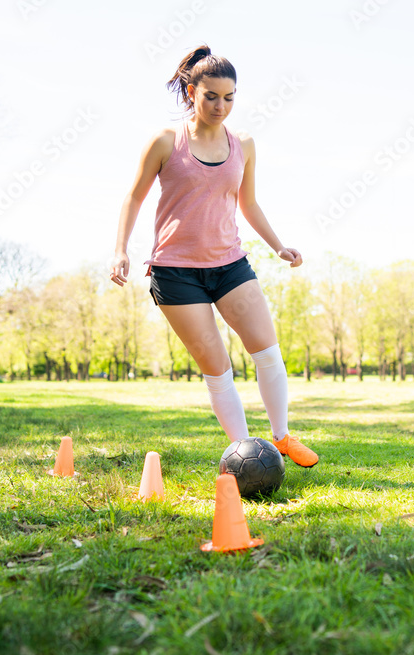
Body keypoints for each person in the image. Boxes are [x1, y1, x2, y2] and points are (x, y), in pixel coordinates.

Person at [109, 44, 318, 468]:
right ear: (191, 91)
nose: (221, 106)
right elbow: (133, 197)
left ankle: (281, 438)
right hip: (176, 272)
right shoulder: (166, 141)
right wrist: (120, 250)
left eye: (229, 97)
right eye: (211, 96)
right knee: (218, 369)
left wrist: (278, 244)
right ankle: (248, 456)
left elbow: (249, 204)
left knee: (267, 352)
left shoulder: (243, 143)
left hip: (229, 266)